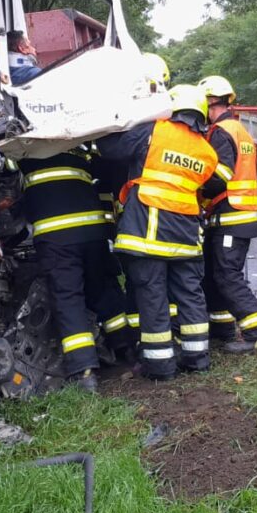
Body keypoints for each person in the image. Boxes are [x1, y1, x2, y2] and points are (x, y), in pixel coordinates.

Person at [96, 84, 224, 380]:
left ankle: (160, 366)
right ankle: (197, 358)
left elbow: (110, 149)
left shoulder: (155, 131)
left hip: (148, 235)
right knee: (191, 296)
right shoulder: (207, 152)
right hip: (187, 239)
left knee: (152, 297)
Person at [17, 147, 134, 391]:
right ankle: (126, 347)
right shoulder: (78, 147)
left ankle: (84, 371)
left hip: (56, 235)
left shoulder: (21, 150)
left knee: (68, 298)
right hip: (93, 229)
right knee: (102, 286)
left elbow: (12, 191)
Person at [197, 75, 257, 352]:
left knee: (227, 275)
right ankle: (223, 329)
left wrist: (196, 187)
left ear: (209, 103)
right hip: (236, 216)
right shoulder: (240, 130)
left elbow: (221, 176)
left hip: (232, 217)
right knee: (215, 273)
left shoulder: (220, 132)